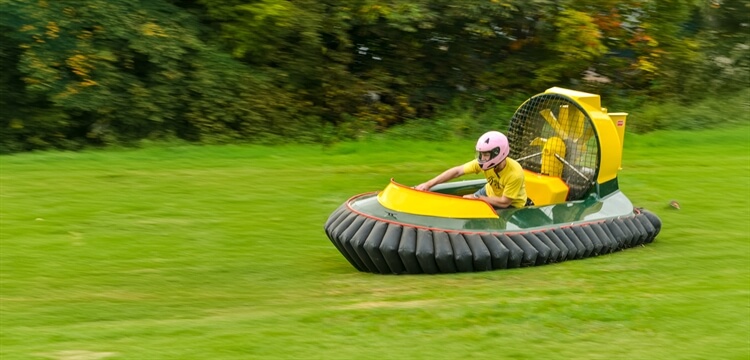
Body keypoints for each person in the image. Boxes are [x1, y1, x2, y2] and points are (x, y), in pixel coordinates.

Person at [415, 131, 531, 209]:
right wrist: (428, 184)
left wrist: (477, 198)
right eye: (481, 154)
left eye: (486, 155)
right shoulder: (484, 163)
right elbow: (457, 171)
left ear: (497, 153)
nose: (482, 158)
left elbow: (505, 202)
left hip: (513, 206)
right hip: (488, 192)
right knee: (464, 207)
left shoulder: (515, 174)